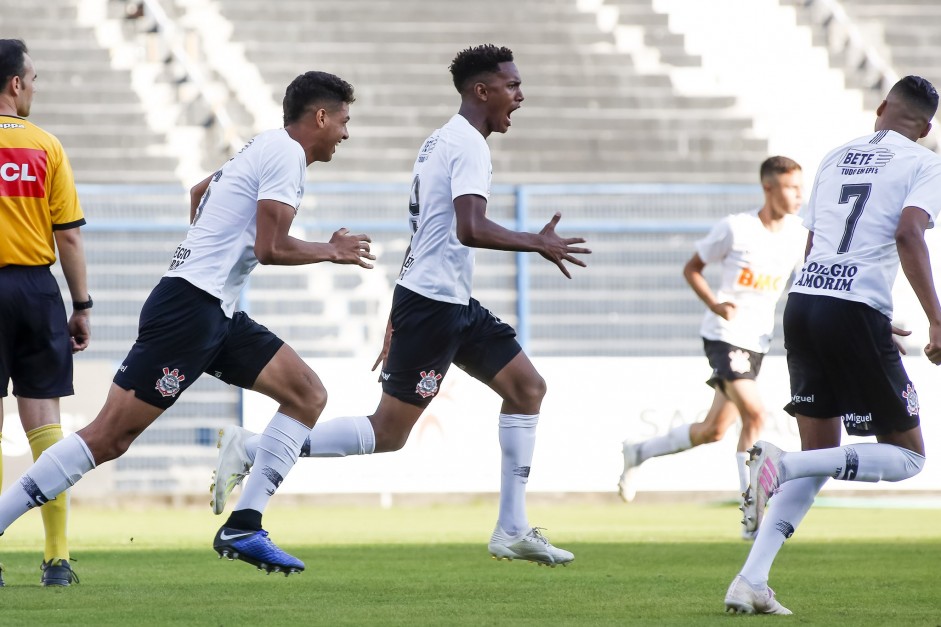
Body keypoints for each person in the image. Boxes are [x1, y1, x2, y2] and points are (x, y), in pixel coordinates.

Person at [210, 44, 590, 567]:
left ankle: (512, 527)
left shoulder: (441, 141)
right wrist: (538, 241)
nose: (520, 96)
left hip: (445, 300)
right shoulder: (468, 146)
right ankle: (255, 450)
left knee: (527, 388)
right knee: (388, 434)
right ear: (482, 90)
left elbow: (426, 232)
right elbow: (468, 228)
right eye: (513, 86)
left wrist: (395, 308)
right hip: (434, 306)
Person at [0, 70, 375, 577]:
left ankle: (245, 523)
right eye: (344, 122)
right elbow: (270, 248)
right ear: (321, 116)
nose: (346, 135)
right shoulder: (285, 155)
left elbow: (200, 191)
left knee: (307, 393)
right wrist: (332, 250)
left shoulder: (262, 146)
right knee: (109, 437)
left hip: (212, 308)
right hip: (188, 310)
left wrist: (206, 250)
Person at [725, 75, 941, 615]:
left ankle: (751, 580)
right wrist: (937, 321)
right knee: (909, 457)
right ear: (927, 127)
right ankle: (782, 464)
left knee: (823, 451)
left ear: (882, 108)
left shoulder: (835, 156)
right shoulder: (924, 164)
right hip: (852, 312)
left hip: (806, 304)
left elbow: (817, 241)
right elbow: (909, 233)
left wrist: (862, 310)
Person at [618, 156, 805, 527]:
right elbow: (692, 268)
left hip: (757, 341)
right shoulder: (736, 228)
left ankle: (638, 452)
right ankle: (752, 513)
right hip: (724, 335)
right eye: (791, 188)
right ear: (768, 188)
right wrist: (715, 303)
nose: (799, 196)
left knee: (714, 430)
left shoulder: (799, 234)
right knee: (755, 414)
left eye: (801, 188)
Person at [0, 39, 90, 587]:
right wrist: (81, 306)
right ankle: (56, 560)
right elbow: (70, 240)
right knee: (46, 429)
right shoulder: (46, 146)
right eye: (32, 79)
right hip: (36, 290)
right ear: (15, 84)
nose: (35, 87)